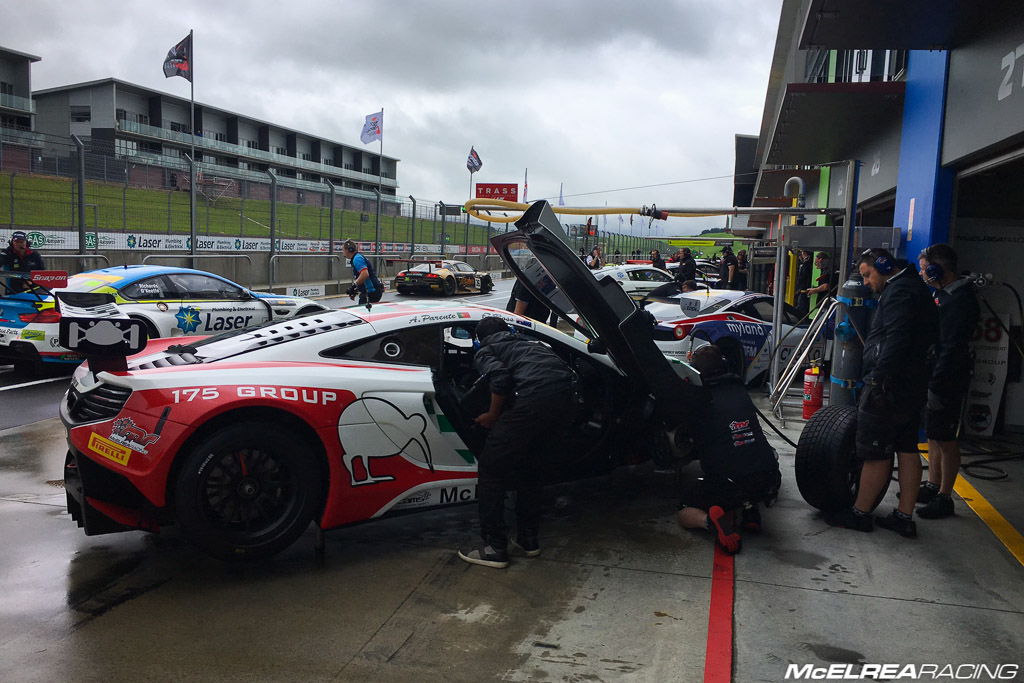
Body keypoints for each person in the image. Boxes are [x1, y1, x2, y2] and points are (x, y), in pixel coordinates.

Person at [826, 248, 938, 538]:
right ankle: (904, 515)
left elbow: (897, 340)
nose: (865, 282)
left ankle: (859, 514)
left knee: (874, 451)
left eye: (867, 274)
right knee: (907, 447)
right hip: (911, 386)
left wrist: (878, 378)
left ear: (885, 266)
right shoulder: (916, 287)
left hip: (890, 386)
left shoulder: (899, 292)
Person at [458, 316, 575, 568]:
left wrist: (492, 415)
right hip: (567, 401)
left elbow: (500, 378)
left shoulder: (487, 349)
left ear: (480, 339)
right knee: (531, 469)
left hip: (533, 402)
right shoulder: (529, 343)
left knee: (491, 469)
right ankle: (528, 540)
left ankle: (494, 548)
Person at [676, 345, 781, 554]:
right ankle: (751, 513)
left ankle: (709, 521)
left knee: (683, 511)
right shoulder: (740, 390)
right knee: (747, 455)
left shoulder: (698, 398)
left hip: (729, 484)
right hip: (770, 479)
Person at [916, 244, 980, 519]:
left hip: (949, 378)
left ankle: (945, 496)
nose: (922, 273)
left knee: (946, 438)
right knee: (933, 432)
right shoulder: (943, 295)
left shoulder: (961, 300)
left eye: (923, 268)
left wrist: (938, 382)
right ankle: (932, 484)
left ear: (936, 269)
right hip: (935, 373)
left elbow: (952, 347)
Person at [342, 239, 383, 305]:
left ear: (349, 250)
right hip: (370, 291)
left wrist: (354, 285)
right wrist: (355, 290)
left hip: (371, 292)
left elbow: (365, 274)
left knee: (363, 312)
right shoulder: (356, 258)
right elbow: (362, 278)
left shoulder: (357, 259)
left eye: (343, 250)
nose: (342, 252)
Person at [794, 250, 813, 317]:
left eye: (802, 254)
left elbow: (803, 277)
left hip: (804, 290)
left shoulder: (807, 264)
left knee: (801, 307)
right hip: (803, 290)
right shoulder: (808, 263)